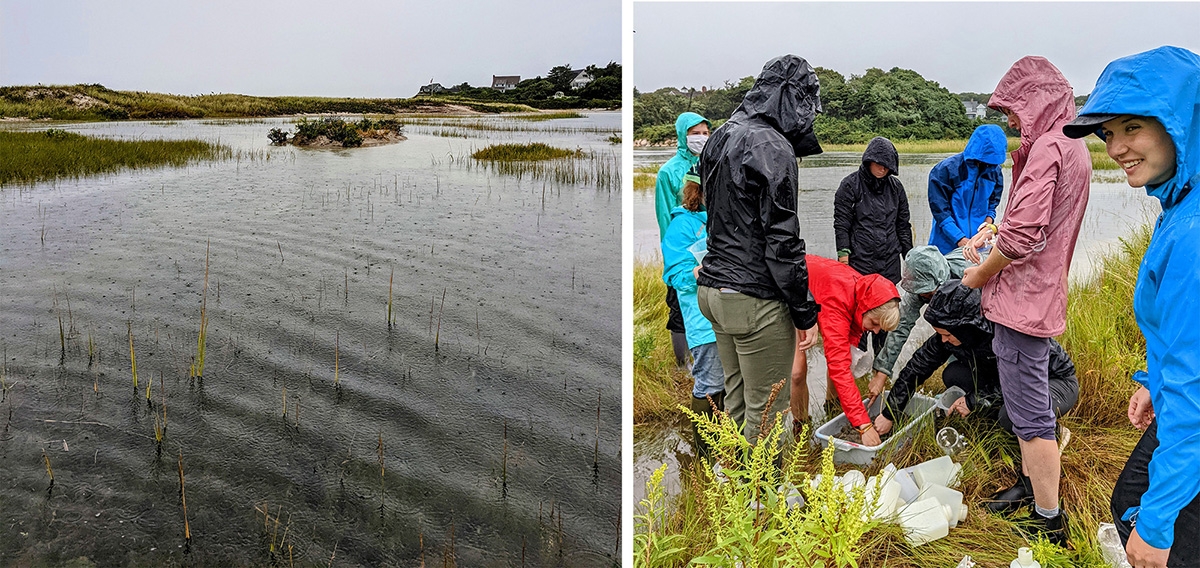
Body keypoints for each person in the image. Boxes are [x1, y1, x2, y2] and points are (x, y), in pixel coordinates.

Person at [1061, 46, 1200, 568]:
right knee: (1126, 502)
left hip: (1193, 422)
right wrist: (1149, 379)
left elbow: (1196, 389)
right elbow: (1181, 333)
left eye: (1132, 128)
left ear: (1180, 123)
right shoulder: (1178, 201)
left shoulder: (1193, 234)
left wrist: (1160, 526)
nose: (1116, 147)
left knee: (1149, 531)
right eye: (1107, 132)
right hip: (1176, 402)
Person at [960, 56, 1091, 545]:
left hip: (1022, 303)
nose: (1010, 121)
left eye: (1013, 109)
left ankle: (1047, 518)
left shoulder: (1048, 150)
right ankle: (1032, 487)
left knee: (1031, 415)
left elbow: (1021, 239)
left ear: (1036, 101)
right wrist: (1000, 229)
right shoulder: (1070, 144)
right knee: (1026, 406)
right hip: (1039, 298)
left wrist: (977, 276)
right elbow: (1035, 224)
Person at [696, 55, 823, 443]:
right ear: (789, 97)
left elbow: (716, 215)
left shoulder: (720, 136)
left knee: (736, 400)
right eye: (805, 103)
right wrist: (805, 312)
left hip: (713, 291)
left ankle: (733, 484)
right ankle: (762, 501)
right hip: (754, 299)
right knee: (767, 408)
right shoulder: (773, 146)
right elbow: (782, 242)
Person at [872, 280, 1078, 514]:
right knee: (953, 374)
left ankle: (1031, 478)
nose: (943, 340)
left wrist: (973, 400)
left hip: (1054, 382)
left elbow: (1021, 383)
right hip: (1007, 381)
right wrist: (890, 413)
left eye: (947, 335)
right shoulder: (952, 334)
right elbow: (915, 369)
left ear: (966, 328)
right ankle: (1012, 428)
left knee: (1010, 416)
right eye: (940, 334)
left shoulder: (1006, 334)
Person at [789, 255, 900, 447]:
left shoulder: (864, 294)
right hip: (791, 295)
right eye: (874, 324)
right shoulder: (837, 302)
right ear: (866, 309)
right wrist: (864, 425)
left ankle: (832, 409)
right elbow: (838, 366)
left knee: (844, 360)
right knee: (797, 371)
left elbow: (844, 356)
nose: (874, 332)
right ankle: (801, 428)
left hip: (818, 296)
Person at [662, 166, 725, 459]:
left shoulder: (729, 216)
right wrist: (697, 272)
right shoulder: (682, 225)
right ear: (696, 190)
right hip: (702, 319)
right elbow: (674, 273)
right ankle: (705, 455)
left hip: (733, 316)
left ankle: (728, 446)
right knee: (710, 381)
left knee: (734, 383)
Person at [833, 136, 912, 354]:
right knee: (859, 317)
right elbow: (842, 224)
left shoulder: (896, 189)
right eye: (878, 163)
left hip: (888, 263)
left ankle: (880, 364)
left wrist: (910, 259)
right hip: (860, 263)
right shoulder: (849, 186)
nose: (882, 169)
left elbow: (903, 225)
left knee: (884, 318)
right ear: (868, 161)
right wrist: (843, 259)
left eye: (887, 166)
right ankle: (856, 362)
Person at [866, 245, 970, 408]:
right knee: (953, 360)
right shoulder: (919, 287)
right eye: (921, 293)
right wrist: (882, 373)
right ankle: (963, 392)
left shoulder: (968, 277)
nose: (923, 297)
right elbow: (901, 327)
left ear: (940, 280)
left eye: (928, 293)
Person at [655, 111, 711, 370]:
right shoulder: (668, 172)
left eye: (705, 133)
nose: (701, 138)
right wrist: (673, 257)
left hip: (709, 247)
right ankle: (682, 365)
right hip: (681, 248)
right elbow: (666, 217)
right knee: (679, 308)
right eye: (694, 133)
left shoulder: (711, 163)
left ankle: (704, 359)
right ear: (682, 135)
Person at [927, 124, 1008, 254]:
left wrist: (986, 229)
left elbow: (992, 205)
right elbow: (941, 212)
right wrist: (960, 239)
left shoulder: (995, 172)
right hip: (945, 245)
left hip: (979, 244)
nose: (989, 165)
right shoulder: (945, 170)